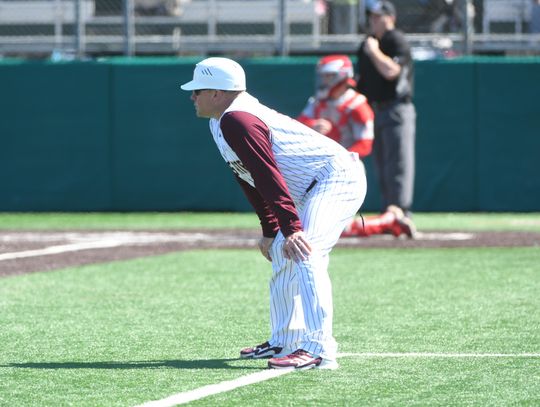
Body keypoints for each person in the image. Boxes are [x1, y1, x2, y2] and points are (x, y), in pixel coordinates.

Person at [180, 57, 367, 370]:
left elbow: (268, 175)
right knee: (283, 251)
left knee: (307, 251)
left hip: (334, 178)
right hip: (311, 187)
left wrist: (292, 227)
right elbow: (247, 174)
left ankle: (319, 349)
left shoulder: (237, 118)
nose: (192, 96)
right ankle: (286, 340)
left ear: (217, 92)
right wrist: (271, 229)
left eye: (198, 90)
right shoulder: (220, 121)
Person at [298, 54, 415, 238]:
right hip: (319, 167)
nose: (325, 80)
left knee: (332, 229)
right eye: (324, 76)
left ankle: (389, 220)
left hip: (346, 167)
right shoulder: (319, 101)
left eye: (329, 76)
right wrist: (313, 125)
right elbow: (297, 125)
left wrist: (338, 156)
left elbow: (366, 144)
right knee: (306, 223)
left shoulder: (357, 105)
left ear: (341, 76)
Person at [356, 0, 417, 230]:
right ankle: (388, 214)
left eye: (378, 16)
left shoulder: (394, 39)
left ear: (390, 17)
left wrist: (374, 51)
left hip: (396, 107)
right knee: (381, 163)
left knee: (398, 162)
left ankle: (402, 212)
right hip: (373, 109)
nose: (373, 20)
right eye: (371, 16)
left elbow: (392, 71)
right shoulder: (366, 44)